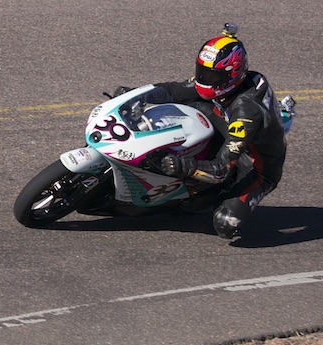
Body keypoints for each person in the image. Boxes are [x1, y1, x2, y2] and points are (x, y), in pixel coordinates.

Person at [115, 23, 295, 239]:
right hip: (227, 129)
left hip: (253, 165)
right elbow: (174, 90)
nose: (204, 80)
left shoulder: (246, 112)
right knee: (189, 102)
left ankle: (202, 195)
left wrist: (184, 166)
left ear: (233, 74)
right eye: (202, 72)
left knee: (226, 224)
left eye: (212, 77)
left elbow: (222, 169)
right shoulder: (225, 83)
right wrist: (135, 96)